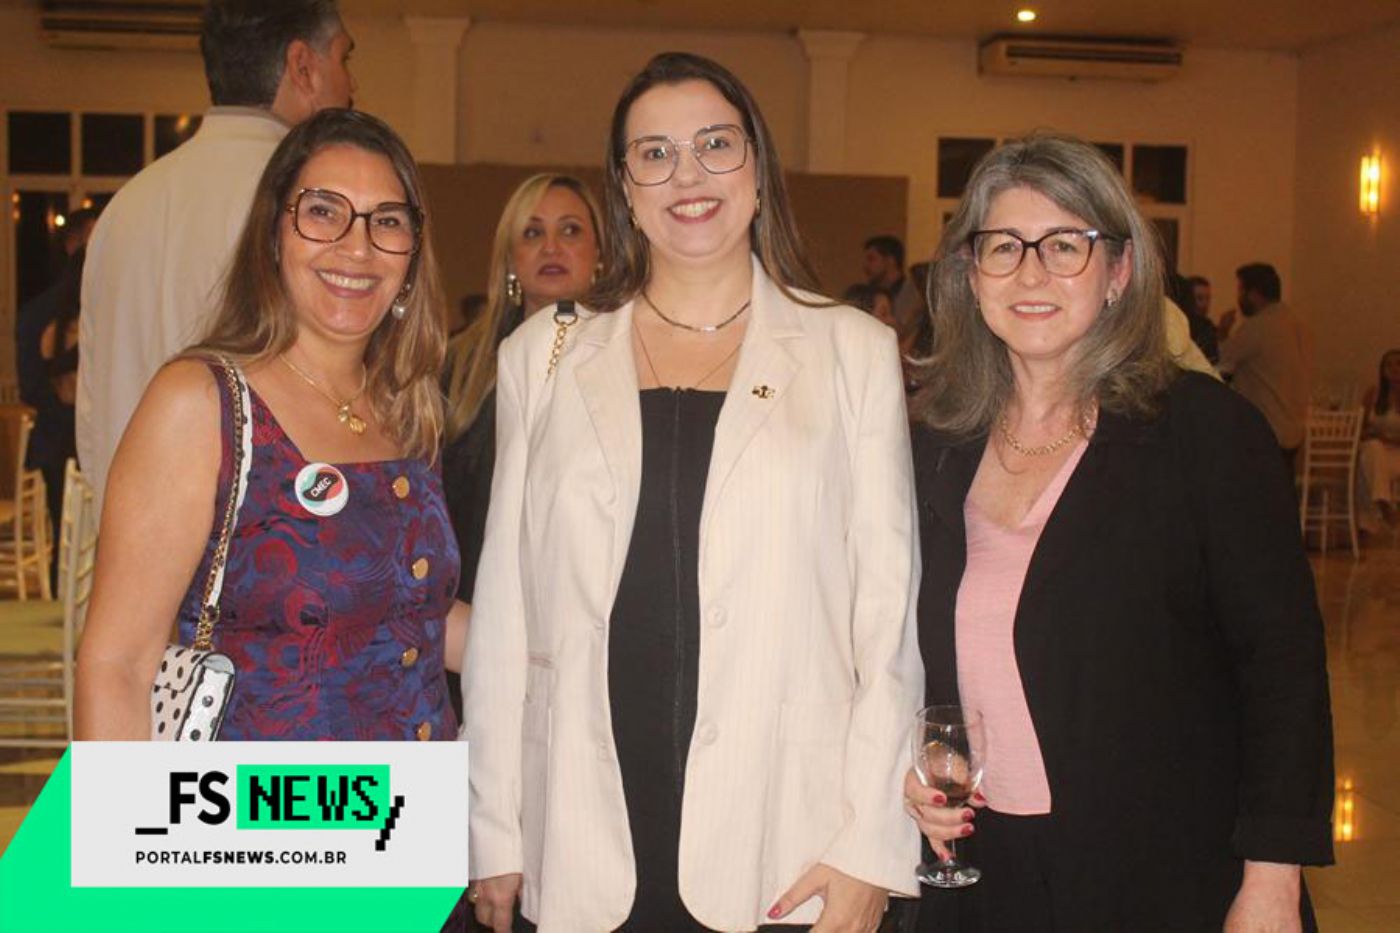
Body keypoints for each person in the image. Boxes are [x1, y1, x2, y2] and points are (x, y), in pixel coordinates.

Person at [463, 52, 922, 932]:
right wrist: (494, 828)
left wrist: (871, 843)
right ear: (625, 189)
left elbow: (886, 621)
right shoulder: (545, 355)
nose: (688, 175)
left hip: (785, 831)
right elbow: (507, 612)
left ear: (757, 167)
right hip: (579, 822)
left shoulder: (851, 350)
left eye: (715, 144)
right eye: (655, 154)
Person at [903, 134, 1334, 932]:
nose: (1031, 272)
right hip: (987, 870)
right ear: (970, 273)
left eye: (1065, 245)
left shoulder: (1203, 432)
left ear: (1119, 271)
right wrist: (918, 766)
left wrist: (1273, 875)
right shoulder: (939, 440)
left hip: (1167, 869)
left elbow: (1283, 664)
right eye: (1004, 246)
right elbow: (920, 650)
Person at [75, 109, 466, 742]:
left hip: (412, 796)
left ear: (413, 255)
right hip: (257, 802)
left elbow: (411, 614)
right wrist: (121, 810)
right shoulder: (201, 403)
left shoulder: (406, 406)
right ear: (273, 234)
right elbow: (116, 665)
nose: (358, 246)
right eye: (323, 211)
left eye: (388, 221)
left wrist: (569, 649)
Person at [78, 0, 356, 510]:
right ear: (302, 66)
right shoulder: (312, 207)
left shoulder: (126, 205)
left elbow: (93, 420)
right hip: (261, 543)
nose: (352, 85)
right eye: (344, 58)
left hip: (131, 529)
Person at [440, 173, 602, 718]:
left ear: (601, 253)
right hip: (468, 638)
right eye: (532, 233)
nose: (552, 247)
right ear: (510, 258)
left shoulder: (638, 364)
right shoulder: (454, 367)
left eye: (570, 230)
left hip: (588, 642)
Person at [1218, 262, 1314, 470]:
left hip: (1265, 430)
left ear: (1253, 294)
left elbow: (1221, 362)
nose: (1238, 298)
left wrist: (1222, 332)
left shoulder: (1258, 326)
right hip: (1294, 430)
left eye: (1240, 290)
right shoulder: (1297, 323)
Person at [1360, 348, 1400, 530]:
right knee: (1373, 449)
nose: (1394, 369)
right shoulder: (1373, 394)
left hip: (1397, 454)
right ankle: (1383, 504)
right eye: (1388, 365)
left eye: (1398, 364)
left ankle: (1381, 506)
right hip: (1375, 452)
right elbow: (1358, 429)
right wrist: (1373, 436)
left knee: (1373, 460)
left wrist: (1387, 439)